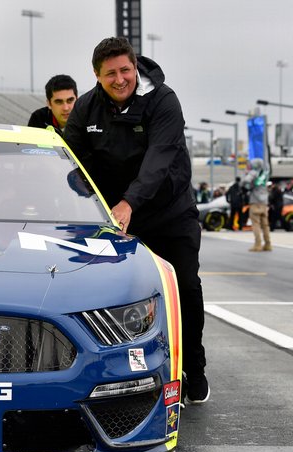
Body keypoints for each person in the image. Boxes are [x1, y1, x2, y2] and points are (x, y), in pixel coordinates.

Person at [64, 36, 209, 403]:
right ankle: (111, 372)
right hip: (115, 219)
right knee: (107, 295)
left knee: (185, 288)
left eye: (125, 70)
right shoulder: (85, 109)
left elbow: (159, 160)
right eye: (110, 73)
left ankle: (194, 365)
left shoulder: (164, 100)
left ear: (135, 66)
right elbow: (73, 166)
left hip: (169, 212)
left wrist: (129, 202)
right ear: (97, 77)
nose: (119, 79)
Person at [242, 158, 272, 251]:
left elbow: (245, 181)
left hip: (255, 201)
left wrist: (248, 182)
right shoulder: (265, 173)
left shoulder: (254, 173)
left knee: (256, 224)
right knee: (265, 225)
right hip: (264, 202)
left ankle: (258, 245)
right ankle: (268, 244)